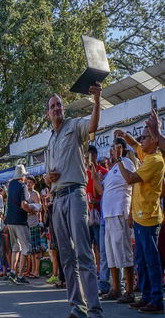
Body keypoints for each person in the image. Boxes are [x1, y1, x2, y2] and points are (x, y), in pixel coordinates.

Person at [43, 85, 104, 318]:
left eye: (59, 104)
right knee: (67, 257)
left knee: (84, 253)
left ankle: (95, 310)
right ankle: (77, 308)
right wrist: (47, 178)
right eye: (52, 106)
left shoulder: (75, 125)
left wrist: (97, 100)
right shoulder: (49, 142)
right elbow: (48, 176)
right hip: (57, 199)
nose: (56, 108)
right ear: (48, 114)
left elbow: (93, 126)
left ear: (63, 108)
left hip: (76, 195)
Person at [115, 127, 164, 314]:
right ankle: (146, 297)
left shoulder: (156, 160)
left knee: (151, 261)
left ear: (154, 140)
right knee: (141, 260)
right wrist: (124, 135)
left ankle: (156, 299)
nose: (140, 140)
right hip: (139, 216)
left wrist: (119, 160)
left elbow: (130, 178)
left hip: (149, 218)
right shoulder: (147, 152)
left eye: (143, 137)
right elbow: (135, 145)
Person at [91, 138, 135, 303]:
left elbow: (132, 182)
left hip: (119, 212)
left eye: (115, 147)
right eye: (111, 148)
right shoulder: (113, 170)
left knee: (124, 252)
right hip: (107, 216)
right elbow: (101, 190)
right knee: (111, 254)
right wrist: (94, 175)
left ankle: (129, 290)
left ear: (122, 148)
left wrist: (130, 213)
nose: (111, 150)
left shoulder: (127, 163)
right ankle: (115, 288)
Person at [5, 165, 32, 284]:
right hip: (20, 220)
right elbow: (23, 204)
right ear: (22, 176)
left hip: (10, 220)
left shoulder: (11, 185)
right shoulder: (23, 186)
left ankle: (12, 272)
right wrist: (32, 210)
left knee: (16, 247)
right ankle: (20, 274)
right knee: (26, 248)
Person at [86, 145, 107, 275]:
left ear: (94, 156)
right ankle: (92, 269)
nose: (86, 159)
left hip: (99, 213)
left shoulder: (103, 171)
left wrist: (97, 202)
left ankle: (100, 270)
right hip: (87, 213)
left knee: (100, 245)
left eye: (88, 156)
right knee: (88, 245)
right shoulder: (84, 173)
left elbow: (105, 193)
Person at [25, 176, 42, 279]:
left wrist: (29, 209)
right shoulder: (26, 194)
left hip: (34, 223)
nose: (29, 184)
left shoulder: (35, 193)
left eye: (31, 182)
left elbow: (38, 208)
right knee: (30, 250)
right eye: (27, 182)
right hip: (26, 224)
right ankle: (32, 270)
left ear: (34, 184)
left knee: (36, 249)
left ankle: (37, 271)